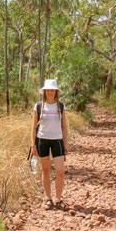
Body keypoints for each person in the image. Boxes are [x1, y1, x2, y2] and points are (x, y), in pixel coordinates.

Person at [31, 79, 69, 210]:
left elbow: (64, 126)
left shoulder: (61, 106)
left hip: (57, 140)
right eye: (48, 90)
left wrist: (66, 143)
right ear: (45, 92)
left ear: (56, 92)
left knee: (60, 171)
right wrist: (33, 145)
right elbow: (33, 127)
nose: (50, 92)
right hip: (42, 140)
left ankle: (58, 198)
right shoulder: (39, 106)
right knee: (45, 170)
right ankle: (48, 198)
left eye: (52, 90)